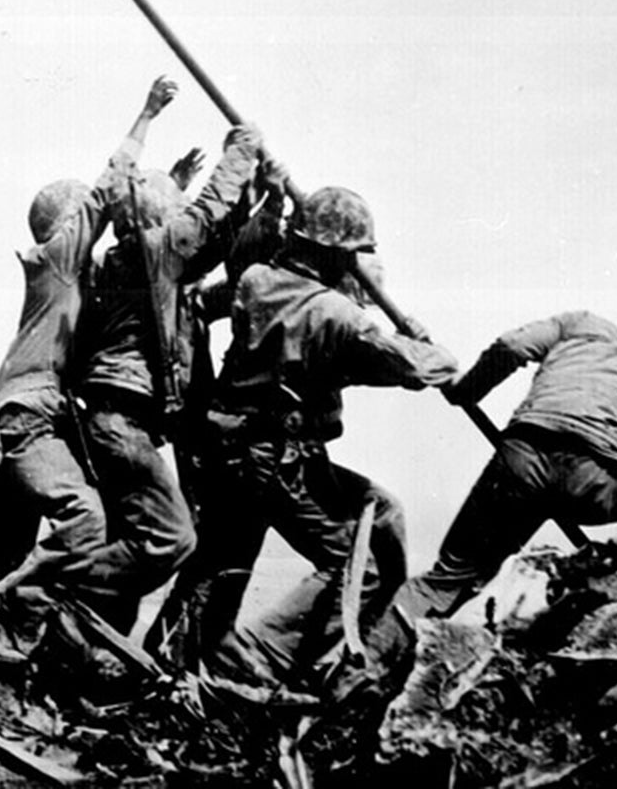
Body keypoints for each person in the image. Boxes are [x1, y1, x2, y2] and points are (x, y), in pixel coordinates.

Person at [168, 185, 458, 688]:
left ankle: (184, 659)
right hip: (276, 458)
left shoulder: (257, 281)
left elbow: (212, 300)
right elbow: (417, 370)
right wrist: (425, 342)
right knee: (357, 563)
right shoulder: (338, 315)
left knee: (230, 558)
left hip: (228, 447)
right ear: (334, 253)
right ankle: (261, 660)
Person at [0, 77, 176, 658]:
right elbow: (106, 189)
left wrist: (176, 187)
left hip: (25, 417)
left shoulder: (68, 276)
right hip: (29, 417)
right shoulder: (59, 261)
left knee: (5, 551)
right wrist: (146, 116)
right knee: (86, 520)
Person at [387, 298, 617, 629]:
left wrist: (467, 391)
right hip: (588, 484)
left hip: (518, 464)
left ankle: (360, 656)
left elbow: (512, 345)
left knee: (446, 581)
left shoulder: (581, 325)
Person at [69, 117, 265, 635]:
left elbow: (221, 246)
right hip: (123, 426)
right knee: (172, 539)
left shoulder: (136, 267)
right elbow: (204, 221)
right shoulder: (153, 254)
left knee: (132, 544)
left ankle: (88, 654)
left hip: (119, 426)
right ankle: (50, 591)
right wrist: (240, 153)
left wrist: (262, 202)